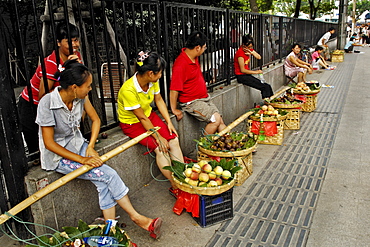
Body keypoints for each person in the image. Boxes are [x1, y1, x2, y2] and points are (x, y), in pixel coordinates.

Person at [35, 59, 162, 239]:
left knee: (103, 181)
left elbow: (96, 120)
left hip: (80, 147)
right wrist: (83, 160)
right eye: (87, 86)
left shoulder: (80, 97)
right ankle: (137, 218)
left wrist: (91, 147)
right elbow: (49, 144)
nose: (90, 89)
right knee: (108, 175)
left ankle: (109, 229)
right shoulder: (46, 103)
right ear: (73, 87)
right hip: (58, 158)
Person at [117, 51, 184, 194]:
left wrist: (168, 122)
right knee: (160, 148)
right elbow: (141, 119)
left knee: (173, 140)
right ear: (150, 73)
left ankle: (182, 177)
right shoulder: (128, 90)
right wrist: (158, 137)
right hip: (132, 124)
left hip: (148, 116)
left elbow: (158, 100)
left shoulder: (152, 81)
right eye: (159, 73)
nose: (161, 76)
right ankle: (175, 184)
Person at [18, 22, 82, 155]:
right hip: (32, 104)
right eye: (69, 41)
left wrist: (77, 67)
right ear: (58, 42)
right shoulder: (51, 64)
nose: (74, 45)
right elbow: (43, 96)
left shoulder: (76, 57)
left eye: (76, 40)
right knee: (36, 148)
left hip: (55, 103)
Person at [170, 31, 227, 135]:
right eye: (204, 47)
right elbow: (174, 89)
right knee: (215, 120)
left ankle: (232, 144)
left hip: (204, 98)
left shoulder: (193, 57)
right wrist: (174, 109)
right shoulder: (180, 64)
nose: (204, 50)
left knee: (220, 121)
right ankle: (204, 147)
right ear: (197, 48)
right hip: (191, 102)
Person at [233, 35, 273, 100]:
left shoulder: (249, 50)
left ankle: (271, 101)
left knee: (267, 86)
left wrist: (252, 53)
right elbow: (243, 70)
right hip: (242, 76)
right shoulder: (240, 53)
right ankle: (267, 103)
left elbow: (259, 57)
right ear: (243, 45)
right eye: (248, 47)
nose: (250, 48)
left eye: (251, 47)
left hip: (247, 75)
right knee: (264, 87)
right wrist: (256, 72)